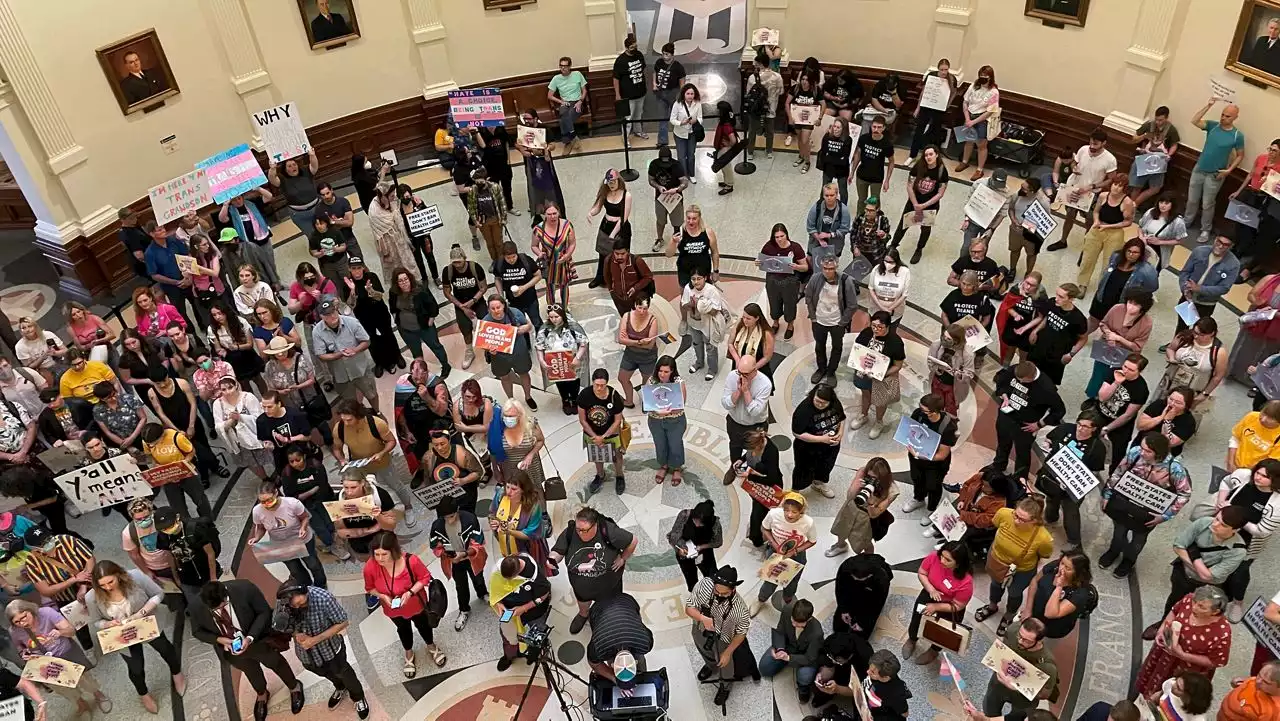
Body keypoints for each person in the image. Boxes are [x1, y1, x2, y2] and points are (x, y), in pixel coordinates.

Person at [190, 581, 304, 721]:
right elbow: (197, 631)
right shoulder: (196, 605)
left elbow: (264, 612)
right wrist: (220, 639)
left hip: (258, 640)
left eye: (223, 606)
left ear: (226, 595)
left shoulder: (244, 588)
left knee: (276, 662)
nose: (220, 610)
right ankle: (262, 693)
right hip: (231, 649)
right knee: (250, 671)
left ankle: (294, 686)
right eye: (215, 609)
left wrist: (250, 638)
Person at [85, 560, 184, 714]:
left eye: (110, 582)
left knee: (166, 649)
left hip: (146, 624)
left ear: (118, 575)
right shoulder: (92, 597)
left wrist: (141, 613)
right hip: (123, 634)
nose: (107, 587)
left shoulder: (136, 577)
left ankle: (177, 674)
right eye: (102, 585)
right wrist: (107, 625)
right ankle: (144, 694)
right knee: (135, 667)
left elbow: (158, 593)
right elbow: (96, 621)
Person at [1100, 432, 1191, 577]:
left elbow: (1184, 493)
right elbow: (1118, 472)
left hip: (1148, 511)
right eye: (1142, 448)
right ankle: (1114, 551)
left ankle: (1129, 561)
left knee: (1138, 539)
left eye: (1147, 451)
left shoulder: (1174, 469)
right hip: (1124, 504)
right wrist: (1107, 494)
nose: (1142, 452)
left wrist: (1166, 515)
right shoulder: (1135, 453)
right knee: (1118, 532)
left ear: (1159, 453)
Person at [275, 579, 369, 719]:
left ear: (304, 592)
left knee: (344, 673)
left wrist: (314, 640)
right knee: (324, 673)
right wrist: (296, 633)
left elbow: (343, 622)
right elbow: (280, 624)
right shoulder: (285, 603)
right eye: (292, 604)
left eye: (299, 602)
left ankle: (358, 697)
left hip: (330, 649)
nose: (295, 606)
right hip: (307, 655)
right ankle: (340, 687)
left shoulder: (324, 598)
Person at [7, 598, 111, 716]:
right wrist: (23, 654)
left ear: (30, 610)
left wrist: (60, 632)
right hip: (44, 663)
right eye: (17, 622)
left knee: (84, 678)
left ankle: (98, 695)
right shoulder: (14, 631)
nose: (22, 623)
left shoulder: (46, 613)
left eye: (24, 617)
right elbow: (20, 648)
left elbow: (71, 631)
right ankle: (81, 704)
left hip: (66, 652)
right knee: (61, 687)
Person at [362, 530, 444, 677]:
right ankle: (408, 652)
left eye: (384, 554)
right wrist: (381, 595)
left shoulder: (410, 561)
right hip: (392, 608)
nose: (380, 559)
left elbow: (424, 578)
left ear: (393, 551)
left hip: (415, 604)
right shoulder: (370, 566)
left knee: (423, 625)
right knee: (403, 628)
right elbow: (369, 588)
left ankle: (431, 645)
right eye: (377, 554)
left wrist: (410, 592)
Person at [973, 497, 1053, 636]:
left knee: (1015, 593)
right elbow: (996, 523)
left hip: (1021, 570)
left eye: (1022, 520)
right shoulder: (1004, 513)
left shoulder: (1043, 538)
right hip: (997, 560)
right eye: (1016, 515)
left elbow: (1045, 554)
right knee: (995, 584)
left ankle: (1009, 615)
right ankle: (992, 606)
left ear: (1035, 520)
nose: (1016, 520)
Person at [551, 506, 637, 634]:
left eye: (584, 530)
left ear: (595, 526)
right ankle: (583, 615)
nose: (580, 533)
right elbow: (558, 551)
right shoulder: (570, 532)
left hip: (609, 584)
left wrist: (623, 558)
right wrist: (552, 560)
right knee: (583, 602)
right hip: (582, 586)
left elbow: (633, 541)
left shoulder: (608, 531)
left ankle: (606, 620)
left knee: (610, 606)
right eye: (578, 529)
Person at [332, 399, 418, 526]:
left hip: (382, 463)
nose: (346, 423)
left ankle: (408, 507)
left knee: (396, 485)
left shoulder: (376, 424)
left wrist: (381, 453)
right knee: (365, 489)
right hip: (359, 466)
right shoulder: (339, 428)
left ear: (358, 416)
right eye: (343, 419)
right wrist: (342, 460)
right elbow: (337, 448)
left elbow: (391, 441)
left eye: (349, 420)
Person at [1135, 586, 1231, 698]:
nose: (1194, 607)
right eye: (1194, 602)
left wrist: (1183, 655)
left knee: (1168, 696)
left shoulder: (1221, 633)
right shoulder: (1188, 599)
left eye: (1201, 607)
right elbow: (1174, 612)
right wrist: (1161, 630)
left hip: (1185, 670)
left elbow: (1215, 661)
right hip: (1163, 656)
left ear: (1215, 611)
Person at [1158, 507, 1249, 622]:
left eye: (1223, 525)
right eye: (1217, 519)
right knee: (1174, 600)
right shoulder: (1203, 523)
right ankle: (1163, 623)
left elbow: (1207, 577)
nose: (1215, 524)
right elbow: (1178, 546)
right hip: (1183, 574)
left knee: (1199, 608)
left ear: (1235, 530)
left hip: (1206, 586)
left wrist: (1194, 555)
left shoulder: (1238, 551)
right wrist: (1201, 568)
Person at [686, 565, 757, 704]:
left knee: (725, 664)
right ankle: (710, 666)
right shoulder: (704, 585)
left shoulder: (740, 610)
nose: (719, 596)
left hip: (723, 637)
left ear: (733, 590)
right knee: (704, 650)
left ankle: (725, 686)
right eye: (716, 591)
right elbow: (689, 607)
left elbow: (741, 633)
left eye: (724, 594)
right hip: (701, 627)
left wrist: (728, 652)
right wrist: (702, 618)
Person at [1037, 412, 1107, 549]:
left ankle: (1073, 540)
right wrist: (1047, 445)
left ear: (1094, 428)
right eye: (1079, 424)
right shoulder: (1066, 429)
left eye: (1085, 426)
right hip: (1053, 477)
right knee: (1051, 499)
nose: (1080, 428)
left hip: (1074, 486)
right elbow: (1049, 439)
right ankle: (1051, 517)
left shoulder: (1097, 447)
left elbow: (1094, 471)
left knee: (1071, 512)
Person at [1044, 129, 1118, 253]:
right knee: (1069, 215)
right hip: (1074, 187)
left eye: (1096, 144)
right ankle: (1063, 240)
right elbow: (1074, 162)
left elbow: (1111, 180)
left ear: (1104, 143)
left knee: (1089, 220)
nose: (1092, 146)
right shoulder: (1083, 149)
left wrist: (1093, 186)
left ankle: (1086, 247)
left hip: (1091, 193)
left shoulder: (1110, 159)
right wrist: (1074, 168)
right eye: (1091, 143)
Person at [1185, 98, 1245, 244]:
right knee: (1192, 199)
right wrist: (1209, 105)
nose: (1224, 118)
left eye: (1228, 116)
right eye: (1223, 114)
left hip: (1215, 174)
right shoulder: (1213, 126)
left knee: (1207, 203)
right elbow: (1194, 120)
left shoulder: (1237, 135)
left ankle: (1206, 229)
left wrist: (1229, 170)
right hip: (1199, 168)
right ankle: (1187, 221)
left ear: (1235, 117)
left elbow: (1240, 155)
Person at [903, 542, 973, 665]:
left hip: (949, 606)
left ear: (958, 563)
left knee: (941, 631)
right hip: (929, 594)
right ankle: (912, 639)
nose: (942, 561)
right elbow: (922, 572)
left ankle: (934, 650)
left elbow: (958, 605)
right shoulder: (933, 557)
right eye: (942, 556)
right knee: (917, 619)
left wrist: (936, 607)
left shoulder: (966, 582)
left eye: (948, 560)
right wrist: (931, 589)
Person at [249, 480, 326, 589]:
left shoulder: (292, 503)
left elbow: (305, 517)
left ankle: (321, 585)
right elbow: (261, 528)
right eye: (262, 501)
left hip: (301, 541)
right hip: (281, 545)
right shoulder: (257, 511)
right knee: (295, 569)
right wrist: (256, 538)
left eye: (269, 500)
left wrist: (303, 528)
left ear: (276, 493)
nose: (266, 504)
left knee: (313, 564)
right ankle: (306, 587)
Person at [428, 496, 487, 631]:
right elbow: (435, 546)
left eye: (452, 516)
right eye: (446, 517)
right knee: (460, 586)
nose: (449, 520)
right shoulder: (437, 526)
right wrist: (446, 555)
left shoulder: (470, 519)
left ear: (458, 510)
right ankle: (464, 609)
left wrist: (465, 554)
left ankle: (482, 593)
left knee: (478, 577)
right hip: (454, 561)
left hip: (472, 558)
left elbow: (477, 543)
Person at [280, 444, 347, 559]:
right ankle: (331, 545)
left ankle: (333, 537)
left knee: (329, 522)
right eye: (291, 461)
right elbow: (291, 496)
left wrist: (316, 497)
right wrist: (310, 492)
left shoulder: (316, 466)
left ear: (304, 456)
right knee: (319, 526)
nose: (295, 464)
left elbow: (323, 486)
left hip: (322, 499)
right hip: (305, 505)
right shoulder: (287, 473)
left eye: (298, 460)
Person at [981, 619, 1059, 716]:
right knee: (989, 712)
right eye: (1020, 635)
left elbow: (1045, 694)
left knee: (1016, 718)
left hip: (1023, 699)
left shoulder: (1047, 665)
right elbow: (1003, 650)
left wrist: (1018, 688)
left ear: (1039, 641)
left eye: (1027, 640)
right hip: (998, 685)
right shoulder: (1013, 630)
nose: (1020, 641)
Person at [312, 298, 379, 411]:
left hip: (360, 369)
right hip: (340, 375)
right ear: (322, 317)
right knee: (350, 402)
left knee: (371, 394)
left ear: (337, 310)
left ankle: (377, 411)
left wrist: (355, 350)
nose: (332, 316)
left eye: (333, 312)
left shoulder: (351, 322)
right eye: (327, 315)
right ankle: (359, 417)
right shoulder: (317, 331)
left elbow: (366, 341)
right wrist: (338, 355)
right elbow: (321, 355)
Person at [1086, 287, 1154, 397]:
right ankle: (1092, 396)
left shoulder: (1147, 323)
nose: (1130, 306)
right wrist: (1109, 334)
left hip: (1125, 356)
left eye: (1136, 304)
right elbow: (1103, 323)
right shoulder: (1117, 308)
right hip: (1105, 348)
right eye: (1129, 302)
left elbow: (1137, 346)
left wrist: (1119, 339)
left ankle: (1106, 398)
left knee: (1115, 378)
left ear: (1143, 306)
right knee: (1098, 374)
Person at [489, 553, 552, 670]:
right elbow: (496, 589)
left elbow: (544, 594)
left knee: (536, 634)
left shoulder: (534, 575)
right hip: (509, 611)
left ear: (517, 573)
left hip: (533, 611)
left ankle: (534, 654)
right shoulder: (497, 571)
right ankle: (510, 655)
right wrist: (499, 603)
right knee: (507, 634)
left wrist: (523, 608)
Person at [756, 492, 816, 611]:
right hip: (775, 552)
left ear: (801, 512)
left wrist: (795, 551)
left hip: (796, 555)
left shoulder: (808, 522)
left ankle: (787, 599)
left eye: (794, 512)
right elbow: (764, 528)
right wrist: (775, 544)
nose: (789, 515)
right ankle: (760, 600)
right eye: (786, 510)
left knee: (792, 581)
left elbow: (812, 541)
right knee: (770, 580)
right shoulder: (773, 514)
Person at [141, 421, 214, 519]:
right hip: (167, 475)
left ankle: (207, 519)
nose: (152, 445)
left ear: (162, 435)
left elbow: (191, 451)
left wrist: (182, 465)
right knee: (176, 505)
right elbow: (150, 456)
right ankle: (185, 523)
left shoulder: (176, 437)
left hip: (186, 473)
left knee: (199, 498)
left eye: (155, 443)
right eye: (150, 444)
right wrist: (155, 465)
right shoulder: (147, 441)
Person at [901, 394, 959, 519]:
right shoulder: (918, 414)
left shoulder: (948, 427)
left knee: (933, 486)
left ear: (934, 412)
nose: (921, 411)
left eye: (925, 410)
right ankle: (918, 499)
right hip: (916, 457)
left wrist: (920, 455)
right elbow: (910, 430)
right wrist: (909, 444)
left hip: (935, 464)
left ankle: (931, 509)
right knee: (917, 478)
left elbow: (942, 455)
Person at [849, 311, 906, 438]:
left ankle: (879, 422)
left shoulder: (895, 342)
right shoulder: (866, 333)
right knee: (865, 394)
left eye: (880, 327)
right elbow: (857, 350)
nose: (875, 329)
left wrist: (882, 373)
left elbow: (898, 365)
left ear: (888, 326)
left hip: (882, 377)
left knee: (880, 401)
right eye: (873, 325)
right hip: (864, 373)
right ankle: (863, 415)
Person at [1077, 173, 1136, 292]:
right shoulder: (1103, 196)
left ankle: (1102, 286)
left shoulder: (1127, 202)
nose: (1116, 188)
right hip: (1098, 229)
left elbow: (1128, 221)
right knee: (1088, 258)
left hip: (1114, 233)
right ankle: (1082, 284)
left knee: (1109, 262)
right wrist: (1096, 221)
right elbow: (1096, 211)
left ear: (1124, 189)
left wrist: (1109, 226)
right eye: (1115, 184)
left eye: (1120, 186)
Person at [1021, 550, 1097, 640]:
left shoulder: (1080, 593)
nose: (1061, 569)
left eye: (1068, 568)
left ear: (1077, 572)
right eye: (1062, 563)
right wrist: (1028, 609)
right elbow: (1035, 581)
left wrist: (1059, 586)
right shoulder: (1054, 567)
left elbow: (1050, 613)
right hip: (1035, 612)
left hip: (1052, 627)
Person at [893, 146, 950, 264]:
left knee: (925, 229)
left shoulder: (942, 171)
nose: (928, 157)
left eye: (931, 154)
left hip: (930, 206)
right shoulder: (918, 167)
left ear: (937, 155)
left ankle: (919, 249)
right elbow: (909, 185)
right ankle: (893, 246)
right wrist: (915, 204)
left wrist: (923, 206)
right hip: (913, 202)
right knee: (903, 224)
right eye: (926, 155)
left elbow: (940, 193)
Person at [828, 457, 895, 557]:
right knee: (841, 528)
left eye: (876, 479)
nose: (871, 480)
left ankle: (868, 558)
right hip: (851, 507)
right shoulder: (863, 472)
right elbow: (849, 497)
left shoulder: (892, 491)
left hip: (866, 517)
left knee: (864, 542)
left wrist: (870, 503)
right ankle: (841, 545)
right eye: (869, 477)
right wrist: (856, 485)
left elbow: (874, 515)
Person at [758, 599, 823, 702]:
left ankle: (803, 690)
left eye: (799, 624)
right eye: (793, 621)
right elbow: (779, 631)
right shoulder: (787, 611)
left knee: (805, 675)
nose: (794, 625)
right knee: (764, 668)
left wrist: (788, 658)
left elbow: (810, 658)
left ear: (809, 619)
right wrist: (780, 649)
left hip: (805, 656)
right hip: (788, 647)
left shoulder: (817, 633)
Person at [1156, 318, 1228, 408]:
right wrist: (1171, 358)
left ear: (1212, 333)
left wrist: (1204, 394)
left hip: (1193, 391)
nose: (1196, 337)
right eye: (1195, 332)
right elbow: (1170, 348)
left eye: (1202, 335)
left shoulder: (1219, 352)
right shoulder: (1184, 337)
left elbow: (1218, 376)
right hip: (1170, 384)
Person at [584, 592, 655, 685]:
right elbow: (594, 664)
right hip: (599, 607)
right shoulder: (599, 648)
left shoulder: (644, 642)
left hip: (627, 601)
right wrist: (613, 678)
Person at [480, 295, 537, 409]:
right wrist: (490, 350)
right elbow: (483, 343)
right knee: (504, 377)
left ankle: (528, 397)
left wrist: (519, 330)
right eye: (493, 308)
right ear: (489, 309)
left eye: (498, 307)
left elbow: (529, 326)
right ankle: (511, 400)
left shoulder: (515, 313)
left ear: (504, 306)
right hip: (499, 356)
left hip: (518, 351)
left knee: (523, 373)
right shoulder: (486, 322)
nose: (496, 311)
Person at [1026, 282, 1089, 386]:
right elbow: (1048, 317)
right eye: (1056, 294)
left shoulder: (1078, 319)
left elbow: (1083, 338)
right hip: (1041, 345)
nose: (1056, 298)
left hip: (1056, 355)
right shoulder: (1052, 303)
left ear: (1071, 299)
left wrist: (1071, 354)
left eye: (1061, 297)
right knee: (1030, 371)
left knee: (1047, 382)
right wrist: (1035, 330)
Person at [1095, 353, 1150, 471]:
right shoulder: (1114, 372)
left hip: (1120, 423)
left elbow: (1127, 415)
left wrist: (1106, 429)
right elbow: (1102, 397)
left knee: (1118, 453)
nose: (1125, 371)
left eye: (1131, 369)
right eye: (1125, 366)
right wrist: (1116, 382)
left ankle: (1112, 477)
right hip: (1100, 412)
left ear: (1139, 371)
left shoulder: (1141, 389)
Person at [1176, 235, 1241, 333]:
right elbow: (1185, 272)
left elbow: (1224, 288)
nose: (1220, 246)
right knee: (1181, 326)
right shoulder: (1199, 251)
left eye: (1225, 245)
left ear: (1231, 246)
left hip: (1206, 304)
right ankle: (1176, 345)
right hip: (1187, 298)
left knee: (1199, 331)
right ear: (1215, 239)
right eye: (1219, 242)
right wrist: (1184, 288)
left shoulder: (1233, 264)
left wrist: (1199, 289)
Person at [576, 369, 625, 494]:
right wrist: (596, 437)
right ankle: (600, 475)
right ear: (592, 382)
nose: (599, 388)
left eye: (602, 385)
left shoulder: (614, 396)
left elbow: (617, 420)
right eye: (596, 385)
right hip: (592, 432)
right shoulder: (585, 395)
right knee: (597, 455)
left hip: (611, 432)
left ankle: (619, 476)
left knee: (617, 456)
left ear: (607, 383)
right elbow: (582, 420)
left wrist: (604, 436)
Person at [791, 384, 845, 497]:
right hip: (808, 448)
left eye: (824, 403)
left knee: (826, 466)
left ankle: (818, 483)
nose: (820, 405)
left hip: (830, 446)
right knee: (803, 470)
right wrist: (821, 439)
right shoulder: (804, 409)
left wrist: (840, 433)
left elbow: (842, 418)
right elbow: (797, 433)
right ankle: (795, 491)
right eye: (817, 401)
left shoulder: (835, 403)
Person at [211, 375, 270, 479]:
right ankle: (265, 478)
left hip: (254, 435)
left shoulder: (248, 397)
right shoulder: (218, 404)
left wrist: (241, 417)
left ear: (236, 386)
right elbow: (218, 426)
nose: (228, 392)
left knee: (268, 456)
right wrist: (230, 422)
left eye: (230, 387)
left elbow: (259, 418)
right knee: (250, 462)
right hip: (238, 441)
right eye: (223, 389)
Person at [757, 222, 808, 341]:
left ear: (787, 235)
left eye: (782, 236)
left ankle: (790, 325)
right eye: (777, 237)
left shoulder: (795, 248)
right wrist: (758, 262)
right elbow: (762, 259)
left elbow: (805, 267)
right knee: (774, 302)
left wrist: (796, 267)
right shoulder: (769, 246)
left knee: (790, 304)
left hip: (790, 280)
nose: (779, 239)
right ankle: (775, 323)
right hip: (772, 279)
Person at [441, 245, 489, 371]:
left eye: (459, 262)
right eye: (454, 262)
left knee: (485, 324)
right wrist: (462, 307)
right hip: (461, 304)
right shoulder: (448, 271)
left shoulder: (475, 267)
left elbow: (484, 287)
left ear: (465, 259)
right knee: (464, 328)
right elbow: (447, 292)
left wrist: (473, 301)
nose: (457, 265)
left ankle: (488, 348)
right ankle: (469, 351)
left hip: (477, 300)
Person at [535, 304, 588, 415]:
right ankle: (565, 400)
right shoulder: (544, 329)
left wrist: (577, 358)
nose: (554, 320)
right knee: (561, 383)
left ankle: (574, 399)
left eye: (556, 317)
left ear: (562, 316)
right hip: (555, 363)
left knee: (574, 382)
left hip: (572, 362)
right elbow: (539, 347)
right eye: (551, 317)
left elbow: (583, 343)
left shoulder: (573, 326)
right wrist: (541, 361)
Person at [588, 171, 634, 292]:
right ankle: (600, 277)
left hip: (620, 228)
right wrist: (590, 213)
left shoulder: (626, 195)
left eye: (613, 182)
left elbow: (624, 218)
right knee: (602, 254)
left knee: (619, 255)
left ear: (619, 180)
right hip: (606, 226)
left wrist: (613, 234)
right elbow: (598, 207)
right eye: (609, 183)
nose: (611, 185)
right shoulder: (605, 192)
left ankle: (619, 280)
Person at [208, 301, 267, 395]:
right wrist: (221, 352)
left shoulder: (240, 321)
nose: (218, 317)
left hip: (246, 354)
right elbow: (217, 348)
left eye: (220, 313)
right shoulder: (212, 328)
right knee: (245, 386)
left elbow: (249, 344)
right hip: (232, 358)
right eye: (214, 315)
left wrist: (237, 347)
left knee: (258, 379)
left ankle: (267, 400)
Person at [722, 356, 772, 463]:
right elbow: (726, 403)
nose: (741, 377)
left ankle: (751, 471)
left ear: (755, 370)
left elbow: (755, 412)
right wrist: (738, 392)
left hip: (754, 426)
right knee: (734, 446)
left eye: (745, 374)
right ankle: (734, 467)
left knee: (754, 452)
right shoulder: (732, 376)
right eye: (739, 372)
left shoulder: (765, 384)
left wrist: (746, 392)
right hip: (734, 422)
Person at [681, 269, 728, 382]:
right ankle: (699, 363)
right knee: (696, 343)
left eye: (699, 278)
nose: (696, 282)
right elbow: (684, 305)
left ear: (705, 278)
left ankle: (712, 369)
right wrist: (691, 304)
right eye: (693, 279)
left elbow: (715, 310)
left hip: (708, 324)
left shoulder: (711, 290)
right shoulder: (688, 288)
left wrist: (701, 305)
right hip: (694, 322)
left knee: (710, 347)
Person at [1130, 106, 1181, 207]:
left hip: (1159, 160)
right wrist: (1144, 136)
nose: (1158, 122)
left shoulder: (1171, 129)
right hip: (1145, 158)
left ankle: (1134, 204)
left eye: (1161, 120)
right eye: (1156, 119)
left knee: (1156, 188)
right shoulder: (1149, 125)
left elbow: (1174, 144)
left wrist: (1169, 155)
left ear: (1166, 118)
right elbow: (1134, 139)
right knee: (1137, 186)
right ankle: (1129, 207)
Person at [955, 65, 1000, 181]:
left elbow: (990, 111)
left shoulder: (994, 92)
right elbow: (965, 102)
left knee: (981, 145)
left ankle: (979, 169)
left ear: (990, 78)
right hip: (969, 116)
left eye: (985, 76)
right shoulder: (973, 86)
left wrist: (974, 121)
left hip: (982, 120)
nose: (983, 78)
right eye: (981, 75)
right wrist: (967, 118)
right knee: (968, 141)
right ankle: (964, 162)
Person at [669, 500, 722, 592]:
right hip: (685, 551)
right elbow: (674, 536)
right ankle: (695, 594)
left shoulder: (715, 523)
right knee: (690, 577)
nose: (697, 525)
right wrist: (682, 548)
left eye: (701, 523)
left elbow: (718, 542)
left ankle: (713, 593)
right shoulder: (684, 515)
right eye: (695, 520)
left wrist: (702, 547)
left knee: (712, 576)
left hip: (705, 552)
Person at [531, 203, 576, 309]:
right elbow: (534, 246)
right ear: (544, 214)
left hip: (563, 261)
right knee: (550, 286)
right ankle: (551, 308)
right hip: (548, 263)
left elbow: (572, 243)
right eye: (549, 214)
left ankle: (564, 309)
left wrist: (567, 255)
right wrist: (539, 253)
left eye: (554, 213)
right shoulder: (538, 229)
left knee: (564, 285)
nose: (552, 216)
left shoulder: (567, 225)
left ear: (559, 213)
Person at [491, 240, 542, 330]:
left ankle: (542, 341)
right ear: (504, 256)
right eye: (508, 258)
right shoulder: (499, 263)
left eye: (513, 257)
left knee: (537, 322)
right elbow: (497, 278)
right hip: (513, 302)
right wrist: (501, 295)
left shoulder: (525, 260)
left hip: (530, 299)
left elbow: (538, 276)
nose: (511, 260)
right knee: (519, 325)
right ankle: (526, 343)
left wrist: (523, 288)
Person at [667, 205, 720, 289]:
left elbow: (715, 252)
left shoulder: (708, 232)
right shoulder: (680, 232)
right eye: (688, 218)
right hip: (685, 272)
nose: (690, 221)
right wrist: (673, 242)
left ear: (699, 218)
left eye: (694, 219)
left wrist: (716, 271)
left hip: (703, 271)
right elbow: (668, 254)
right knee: (685, 297)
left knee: (705, 297)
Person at [927, 324, 975, 417]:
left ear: (957, 341)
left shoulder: (967, 353)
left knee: (951, 408)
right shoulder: (937, 344)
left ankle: (950, 425)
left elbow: (969, 374)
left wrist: (957, 373)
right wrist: (937, 368)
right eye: (944, 336)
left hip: (953, 386)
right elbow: (930, 361)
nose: (944, 340)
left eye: (948, 339)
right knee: (936, 403)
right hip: (937, 380)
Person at [1136, 387, 1197, 458]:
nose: (1172, 404)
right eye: (1171, 399)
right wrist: (1161, 417)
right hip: (1140, 445)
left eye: (1178, 403)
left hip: (1163, 455)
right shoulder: (1158, 405)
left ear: (1186, 406)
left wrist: (1167, 421)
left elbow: (1168, 442)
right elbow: (1140, 426)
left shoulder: (1188, 422)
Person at [744, 52, 783, 162]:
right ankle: (769, 151)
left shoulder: (752, 78)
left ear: (760, 64)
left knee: (752, 130)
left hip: (755, 109)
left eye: (756, 64)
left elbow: (748, 93)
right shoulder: (777, 77)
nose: (754, 66)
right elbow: (781, 92)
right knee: (770, 131)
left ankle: (750, 152)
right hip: (771, 108)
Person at [852, 115, 895, 211]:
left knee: (875, 201)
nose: (876, 129)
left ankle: (876, 220)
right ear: (871, 126)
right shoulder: (864, 139)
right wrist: (852, 172)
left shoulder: (887, 144)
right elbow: (858, 155)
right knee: (861, 200)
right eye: (874, 127)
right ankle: (859, 220)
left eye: (879, 127)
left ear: (883, 128)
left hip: (877, 178)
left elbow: (892, 162)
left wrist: (887, 180)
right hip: (862, 175)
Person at [1138, 192, 1188, 272]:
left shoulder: (1178, 221)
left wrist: (1159, 242)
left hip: (1160, 251)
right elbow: (1140, 227)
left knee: (1151, 274)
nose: (1163, 205)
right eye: (1161, 202)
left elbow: (1181, 240)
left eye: (1166, 203)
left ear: (1172, 205)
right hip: (1142, 245)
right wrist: (1141, 237)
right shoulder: (1151, 212)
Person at [548, 56, 588, 152]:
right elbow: (550, 95)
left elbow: (584, 91)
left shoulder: (577, 74)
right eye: (561, 66)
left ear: (570, 66)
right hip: (564, 103)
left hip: (577, 102)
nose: (563, 68)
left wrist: (580, 101)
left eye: (565, 66)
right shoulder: (556, 78)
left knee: (564, 119)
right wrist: (561, 102)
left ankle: (567, 142)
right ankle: (574, 137)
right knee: (564, 114)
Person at [92, 380, 146, 451]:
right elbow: (107, 432)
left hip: (138, 434)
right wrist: (125, 444)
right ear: (101, 399)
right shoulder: (98, 410)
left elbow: (143, 418)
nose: (113, 398)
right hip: (119, 441)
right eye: (108, 398)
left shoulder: (129, 399)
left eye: (114, 394)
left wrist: (132, 438)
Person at [613, 34, 648, 139]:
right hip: (628, 95)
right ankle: (625, 138)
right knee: (629, 117)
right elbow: (615, 78)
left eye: (635, 46)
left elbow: (643, 69)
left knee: (639, 115)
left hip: (641, 92)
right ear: (626, 47)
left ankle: (638, 131)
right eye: (632, 47)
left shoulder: (639, 55)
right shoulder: (620, 61)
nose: (634, 49)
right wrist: (617, 94)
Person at [785, 72, 820, 174]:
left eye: (806, 80)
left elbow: (823, 104)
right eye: (802, 79)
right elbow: (787, 103)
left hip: (809, 120)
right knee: (800, 139)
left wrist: (820, 118)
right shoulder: (795, 88)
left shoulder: (815, 90)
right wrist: (790, 117)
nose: (804, 82)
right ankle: (801, 156)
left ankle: (807, 161)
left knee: (805, 140)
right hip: (797, 118)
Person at [808, 181, 852, 259]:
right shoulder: (816, 208)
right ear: (823, 195)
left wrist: (829, 235)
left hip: (834, 244)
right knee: (811, 261)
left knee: (831, 265)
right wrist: (819, 238)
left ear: (837, 195)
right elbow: (810, 227)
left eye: (832, 195)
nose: (829, 198)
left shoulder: (843, 210)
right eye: (826, 195)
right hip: (816, 241)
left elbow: (844, 230)